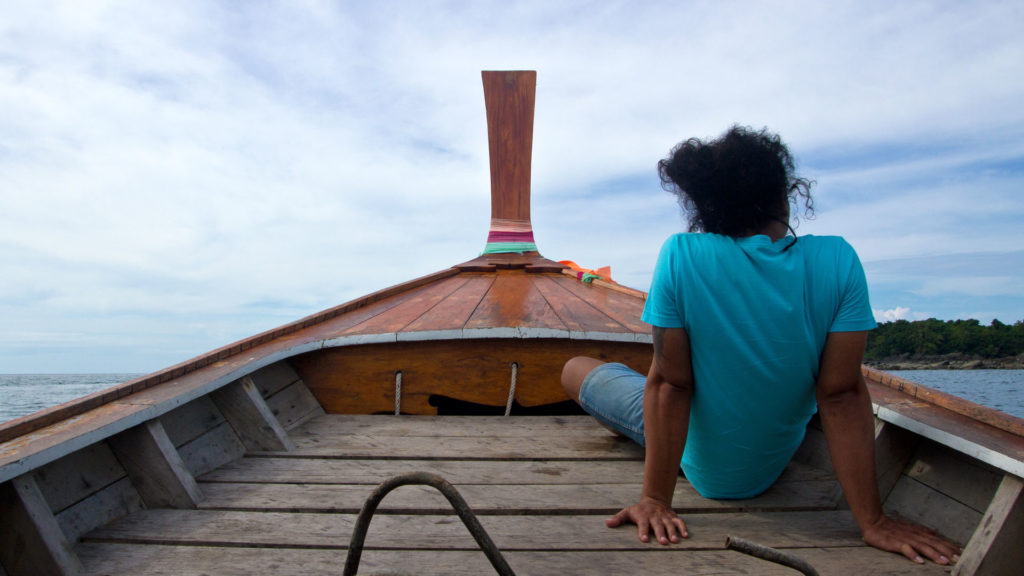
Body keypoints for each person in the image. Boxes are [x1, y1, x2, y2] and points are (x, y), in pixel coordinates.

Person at [561, 126, 960, 565]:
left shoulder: (681, 254)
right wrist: (873, 522)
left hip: (702, 459)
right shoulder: (839, 259)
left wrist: (655, 500)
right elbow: (840, 393)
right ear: (784, 198)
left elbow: (672, 387)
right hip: (766, 463)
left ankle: (629, 427)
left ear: (709, 207)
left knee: (577, 367)